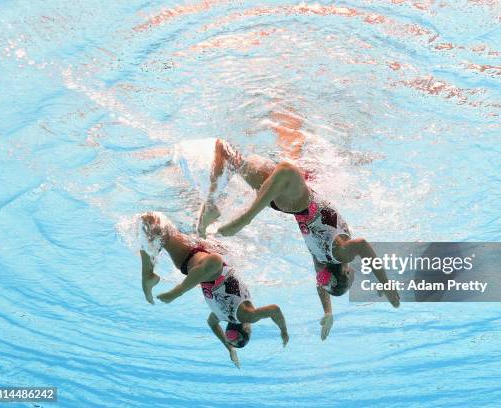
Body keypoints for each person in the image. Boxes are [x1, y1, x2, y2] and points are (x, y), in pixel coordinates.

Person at [197, 134, 400, 341]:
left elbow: (362, 245)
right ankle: (211, 201)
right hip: (283, 202)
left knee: (286, 168)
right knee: (227, 153)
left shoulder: (340, 252)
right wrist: (328, 312)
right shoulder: (320, 260)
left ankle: (245, 218)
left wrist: (385, 283)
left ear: (347, 272)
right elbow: (321, 285)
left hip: (298, 199)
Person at [137, 211, 288, 368]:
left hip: (204, 264)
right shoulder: (218, 317)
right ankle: (147, 274)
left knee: (215, 260)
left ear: (247, 329)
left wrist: (283, 331)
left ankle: (176, 291)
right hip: (191, 261)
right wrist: (229, 348)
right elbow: (212, 325)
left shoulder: (247, 316)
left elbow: (275, 310)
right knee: (150, 224)